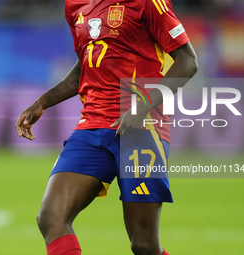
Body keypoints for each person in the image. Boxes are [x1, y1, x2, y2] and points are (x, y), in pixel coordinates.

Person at [15, 0, 198, 254]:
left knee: (144, 244)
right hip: (91, 126)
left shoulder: (147, 2)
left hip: (141, 129)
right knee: (50, 217)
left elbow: (188, 61)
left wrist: (142, 107)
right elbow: (86, 65)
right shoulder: (74, 6)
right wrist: (43, 102)